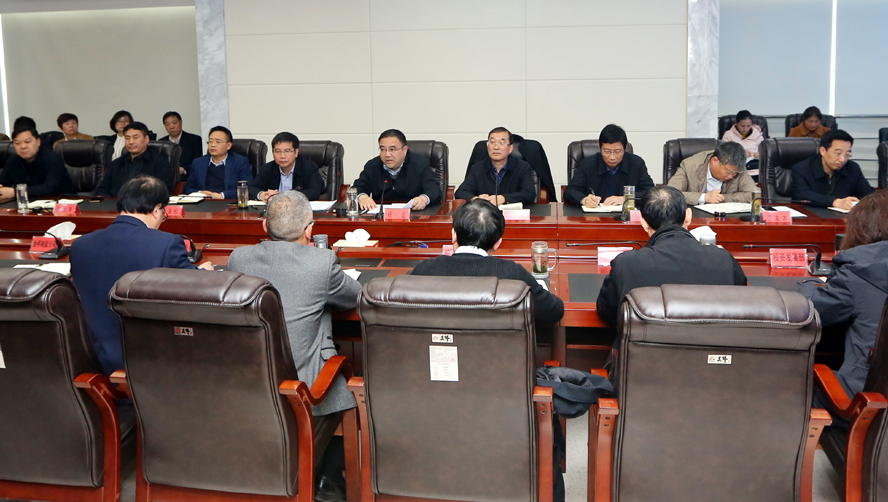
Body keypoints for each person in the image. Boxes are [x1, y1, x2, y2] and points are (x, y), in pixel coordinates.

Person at [227, 190, 361, 502]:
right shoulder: (321, 262)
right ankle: (328, 481)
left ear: (264, 226)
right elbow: (355, 296)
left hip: (248, 381)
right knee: (346, 387)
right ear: (309, 230)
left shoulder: (238, 258)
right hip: (302, 387)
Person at [70, 175, 214, 375]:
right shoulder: (166, 244)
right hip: (150, 363)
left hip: (92, 360)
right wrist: (205, 273)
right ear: (157, 210)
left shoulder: (80, 246)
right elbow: (192, 287)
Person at [596, 185, 747, 327]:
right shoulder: (723, 260)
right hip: (711, 346)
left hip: (646, 346)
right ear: (688, 216)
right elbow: (744, 309)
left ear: (644, 223)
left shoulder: (627, 263)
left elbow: (608, 314)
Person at [410, 198, 564, 326]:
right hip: (496, 354)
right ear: (497, 243)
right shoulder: (513, 274)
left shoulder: (424, 270)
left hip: (435, 352)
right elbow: (553, 311)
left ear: (453, 235)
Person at [800, 191, 888, 399]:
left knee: (791, 383)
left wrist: (811, 283)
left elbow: (806, 309)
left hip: (866, 402)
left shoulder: (858, 274)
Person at [563, 124, 654, 208]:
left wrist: (626, 199)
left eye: (617, 152)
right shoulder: (588, 164)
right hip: (594, 217)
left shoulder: (636, 164)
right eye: (607, 151)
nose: (612, 157)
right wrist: (584, 199)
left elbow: (651, 192)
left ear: (625, 147)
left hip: (625, 216)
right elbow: (570, 191)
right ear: (599, 145)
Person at [353, 129, 441, 211]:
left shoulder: (420, 164)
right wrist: (362, 197)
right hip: (380, 217)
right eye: (383, 149)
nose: (387, 154)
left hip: (413, 214)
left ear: (404, 150)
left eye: (392, 149)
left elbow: (434, 190)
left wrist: (423, 199)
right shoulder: (373, 166)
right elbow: (357, 188)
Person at [791, 129, 873, 210]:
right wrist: (835, 202)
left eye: (847, 154)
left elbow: (867, 193)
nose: (843, 159)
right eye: (838, 153)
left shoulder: (852, 168)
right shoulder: (802, 168)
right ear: (823, 151)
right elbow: (800, 193)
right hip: (811, 214)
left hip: (842, 217)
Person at [456, 127, 536, 206]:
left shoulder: (522, 167)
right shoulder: (477, 169)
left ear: (510, 148)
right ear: (488, 147)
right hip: (485, 213)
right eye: (492, 142)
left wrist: (503, 198)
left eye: (501, 143)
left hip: (513, 213)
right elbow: (460, 192)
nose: (496, 147)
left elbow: (529, 194)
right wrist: (476, 199)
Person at [97, 122, 175, 197]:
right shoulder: (117, 163)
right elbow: (103, 188)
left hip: (145, 204)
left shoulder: (160, 163)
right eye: (127, 138)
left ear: (146, 139)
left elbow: (164, 191)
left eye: (136, 137)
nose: (131, 142)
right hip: (114, 204)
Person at [667, 142, 756, 205]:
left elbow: (753, 195)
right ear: (715, 161)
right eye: (729, 172)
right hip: (694, 216)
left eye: (735, 173)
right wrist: (704, 198)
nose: (731, 176)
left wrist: (721, 198)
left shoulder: (737, 168)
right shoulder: (690, 165)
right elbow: (670, 193)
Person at [0, 126, 75, 198]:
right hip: (27, 203)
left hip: (62, 202)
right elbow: (3, 182)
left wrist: (16, 192)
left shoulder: (53, 159)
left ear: (38, 141)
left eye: (27, 142)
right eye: (17, 143)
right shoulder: (13, 161)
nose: (23, 146)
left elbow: (49, 189)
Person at [249, 131, 324, 202]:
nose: (282, 156)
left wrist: (283, 196)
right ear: (273, 153)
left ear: (296, 152)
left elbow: (314, 192)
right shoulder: (267, 169)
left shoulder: (309, 168)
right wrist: (262, 195)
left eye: (287, 151)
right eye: (277, 151)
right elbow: (251, 188)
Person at [183, 126, 252, 199]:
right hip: (204, 202)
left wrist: (222, 196)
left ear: (228, 145)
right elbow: (188, 188)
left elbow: (247, 189)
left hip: (227, 202)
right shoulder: (198, 163)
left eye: (218, 142)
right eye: (210, 141)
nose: (213, 145)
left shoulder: (240, 162)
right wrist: (200, 193)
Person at [159, 111, 204, 181]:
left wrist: (184, 170)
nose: (171, 127)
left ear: (181, 122)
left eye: (174, 123)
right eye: (167, 124)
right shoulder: (161, 142)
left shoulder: (195, 140)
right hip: (167, 180)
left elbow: (199, 162)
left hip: (189, 179)